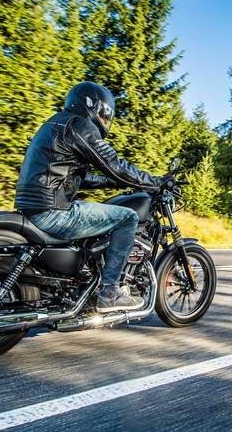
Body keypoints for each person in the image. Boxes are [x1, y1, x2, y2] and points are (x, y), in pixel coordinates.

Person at [14, 81, 166, 312]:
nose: (104, 120)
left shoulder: (56, 123)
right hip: (53, 211)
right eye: (103, 113)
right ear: (90, 104)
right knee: (128, 218)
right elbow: (113, 164)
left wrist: (112, 182)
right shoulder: (80, 125)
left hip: (36, 206)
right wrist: (156, 182)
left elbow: (73, 176)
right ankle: (109, 292)